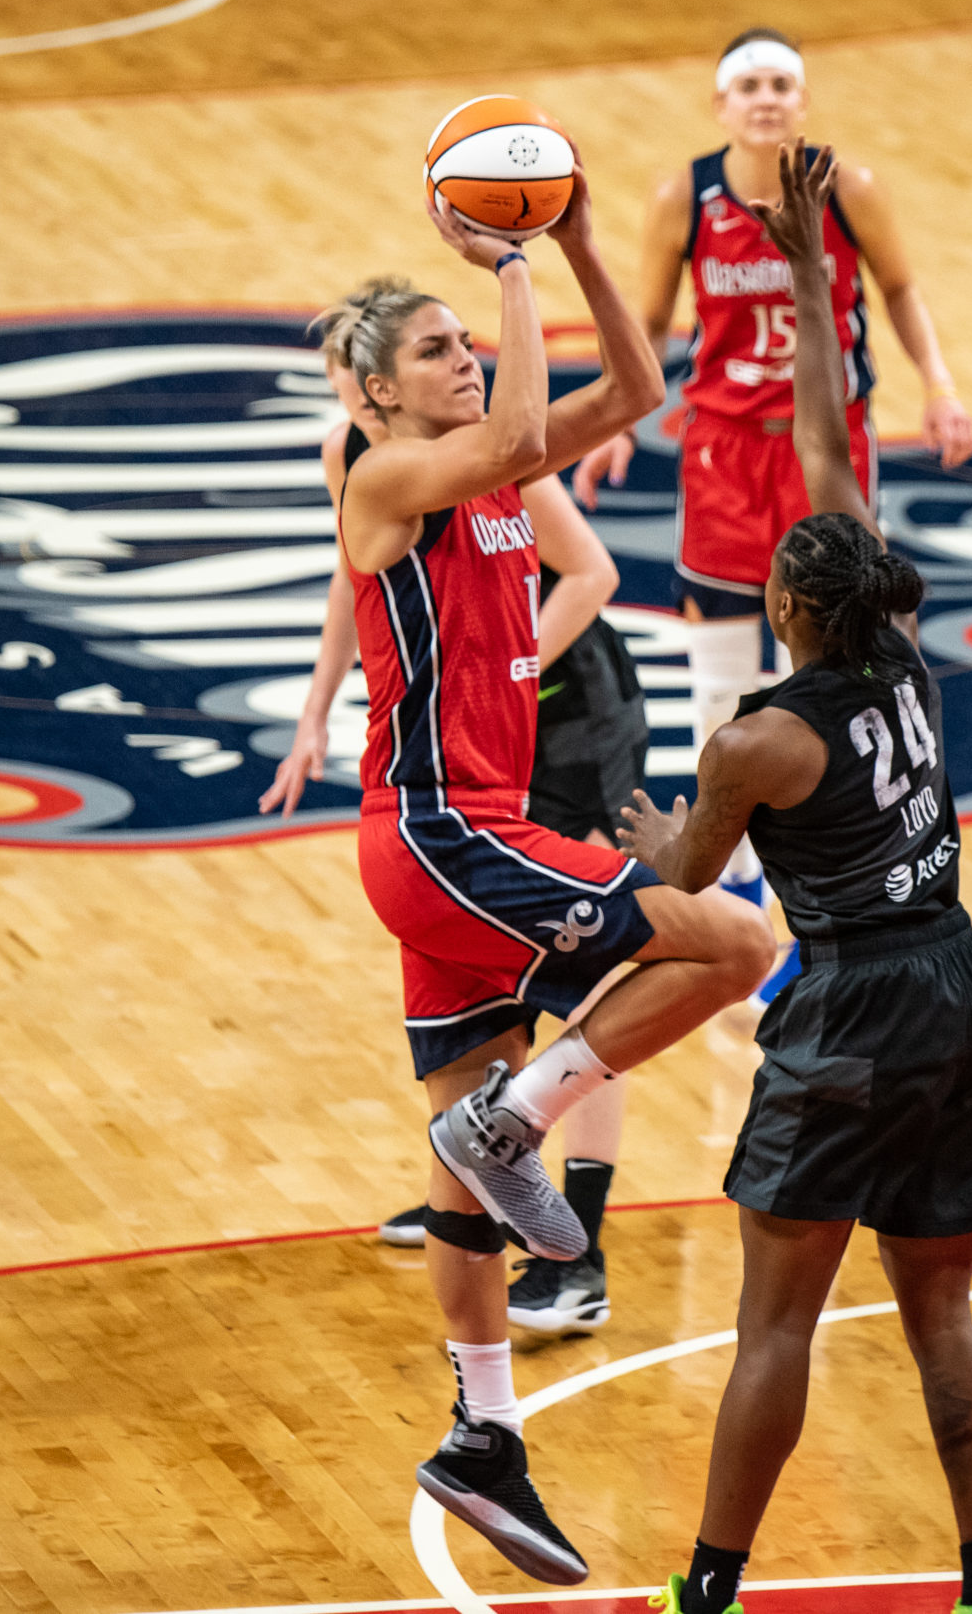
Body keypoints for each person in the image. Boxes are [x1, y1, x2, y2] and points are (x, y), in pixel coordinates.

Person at [318, 175, 775, 1583]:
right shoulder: (387, 476)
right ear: (376, 399)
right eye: (436, 351)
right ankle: (520, 1123)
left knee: (458, 1165)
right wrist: (510, 272)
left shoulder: (495, 468)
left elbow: (641, 383)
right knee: (738, 945)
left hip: (454, 844)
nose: (465, 361)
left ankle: (485, 1436)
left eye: (468, 341)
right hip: (447, 832)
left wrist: (574, 242)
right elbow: (523, 424)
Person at [616, 143, 972, 1614]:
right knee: (942, 1317)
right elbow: (831, 460)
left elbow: (691, 887)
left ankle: (711, 1590)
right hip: (970, 988)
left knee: (776, 1325)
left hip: (855, 1007)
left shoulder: (759, 740)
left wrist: (633, 833)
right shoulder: (897, 647)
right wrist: (807, 272)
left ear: (786, 606)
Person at [572, 26, 972, 995]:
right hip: (722, 448)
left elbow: (900, 286)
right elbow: (653, 317)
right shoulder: (686, 195)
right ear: (721, 105)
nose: (765, 97)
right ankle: (745, 896)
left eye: (780, 83)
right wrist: (617, 413)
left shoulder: (851, 188)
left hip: (820, 438)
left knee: (845, 655)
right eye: (747, 83)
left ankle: (805, 863)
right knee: (720, 683)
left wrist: (938, 380)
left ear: (801, 100)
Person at [262, 352, 643, 1339]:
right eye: (344, 385)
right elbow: (362, 577)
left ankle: (582, 1258)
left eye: (362, 377)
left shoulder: (495, 450)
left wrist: (506, 666)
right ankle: (470, 1179)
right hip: (477, 738)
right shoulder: (354, 454)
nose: (353, 398)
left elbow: (590, 571)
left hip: (572, 717)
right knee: (483, 975)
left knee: (595, 979)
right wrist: (317, 709)